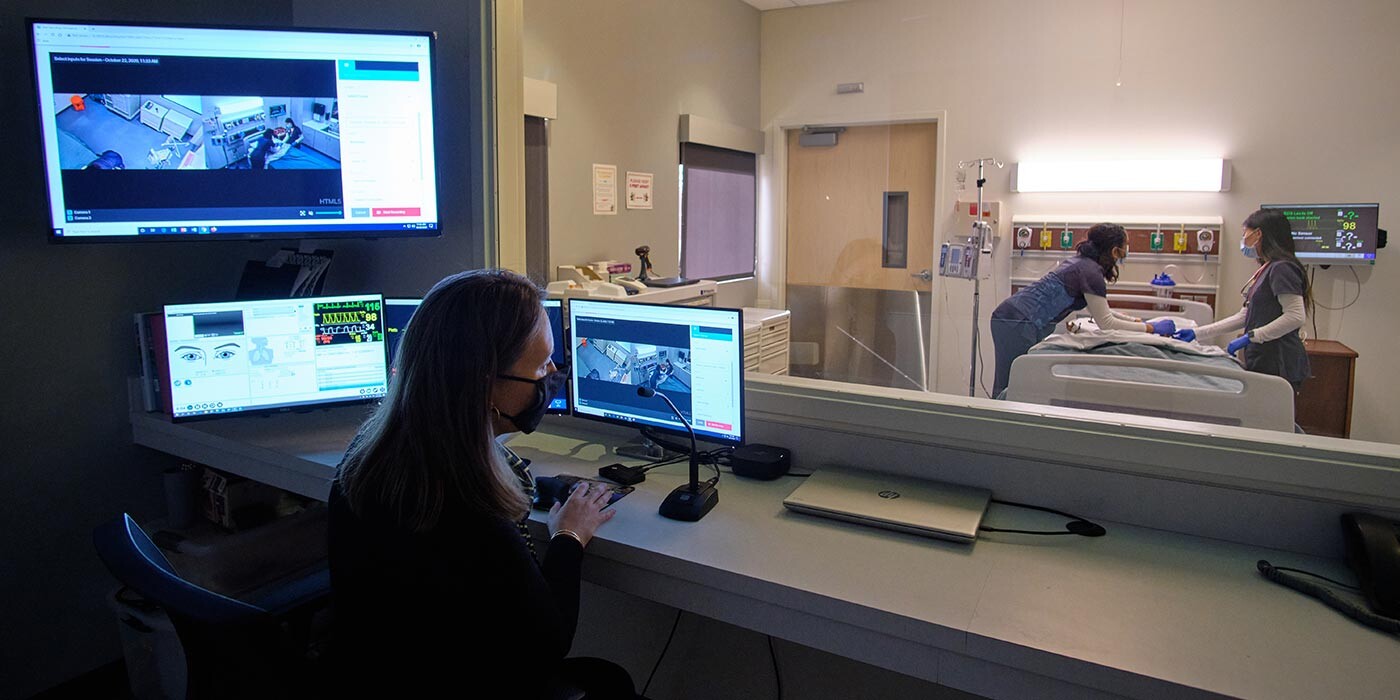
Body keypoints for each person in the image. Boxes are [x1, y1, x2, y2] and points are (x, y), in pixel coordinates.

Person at [328, 269, 638, 698]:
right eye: (540, 364)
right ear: (484, 383)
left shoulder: (368, 457)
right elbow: (548, 643)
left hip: (386, 674)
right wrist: (569, 535)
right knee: (609, 681)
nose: (552, 373)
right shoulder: (468, 507)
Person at [991, 222, 1176, 397]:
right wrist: (1151, 329)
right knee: (1012, 385)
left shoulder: (1082, 263)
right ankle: (994, 426)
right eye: (1126, 246)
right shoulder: (1089, 271)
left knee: (1015, 383)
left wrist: (1137, 322)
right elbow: (1107, 323)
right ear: (1114, 250)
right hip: (1015, 321)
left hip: (1016, 318)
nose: (1126, 251)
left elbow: (1101, 310)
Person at [1173, 209, 1311, 391]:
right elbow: (1246, 315)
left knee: (1270, 416)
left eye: (1245, 234)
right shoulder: (1267, 268)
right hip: (1265, 359)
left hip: (1279, 362)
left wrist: (1252, 336)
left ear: (1258, 234)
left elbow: (1295, 316)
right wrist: (1198, 333)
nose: (1243, 239)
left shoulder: (1282, 268)